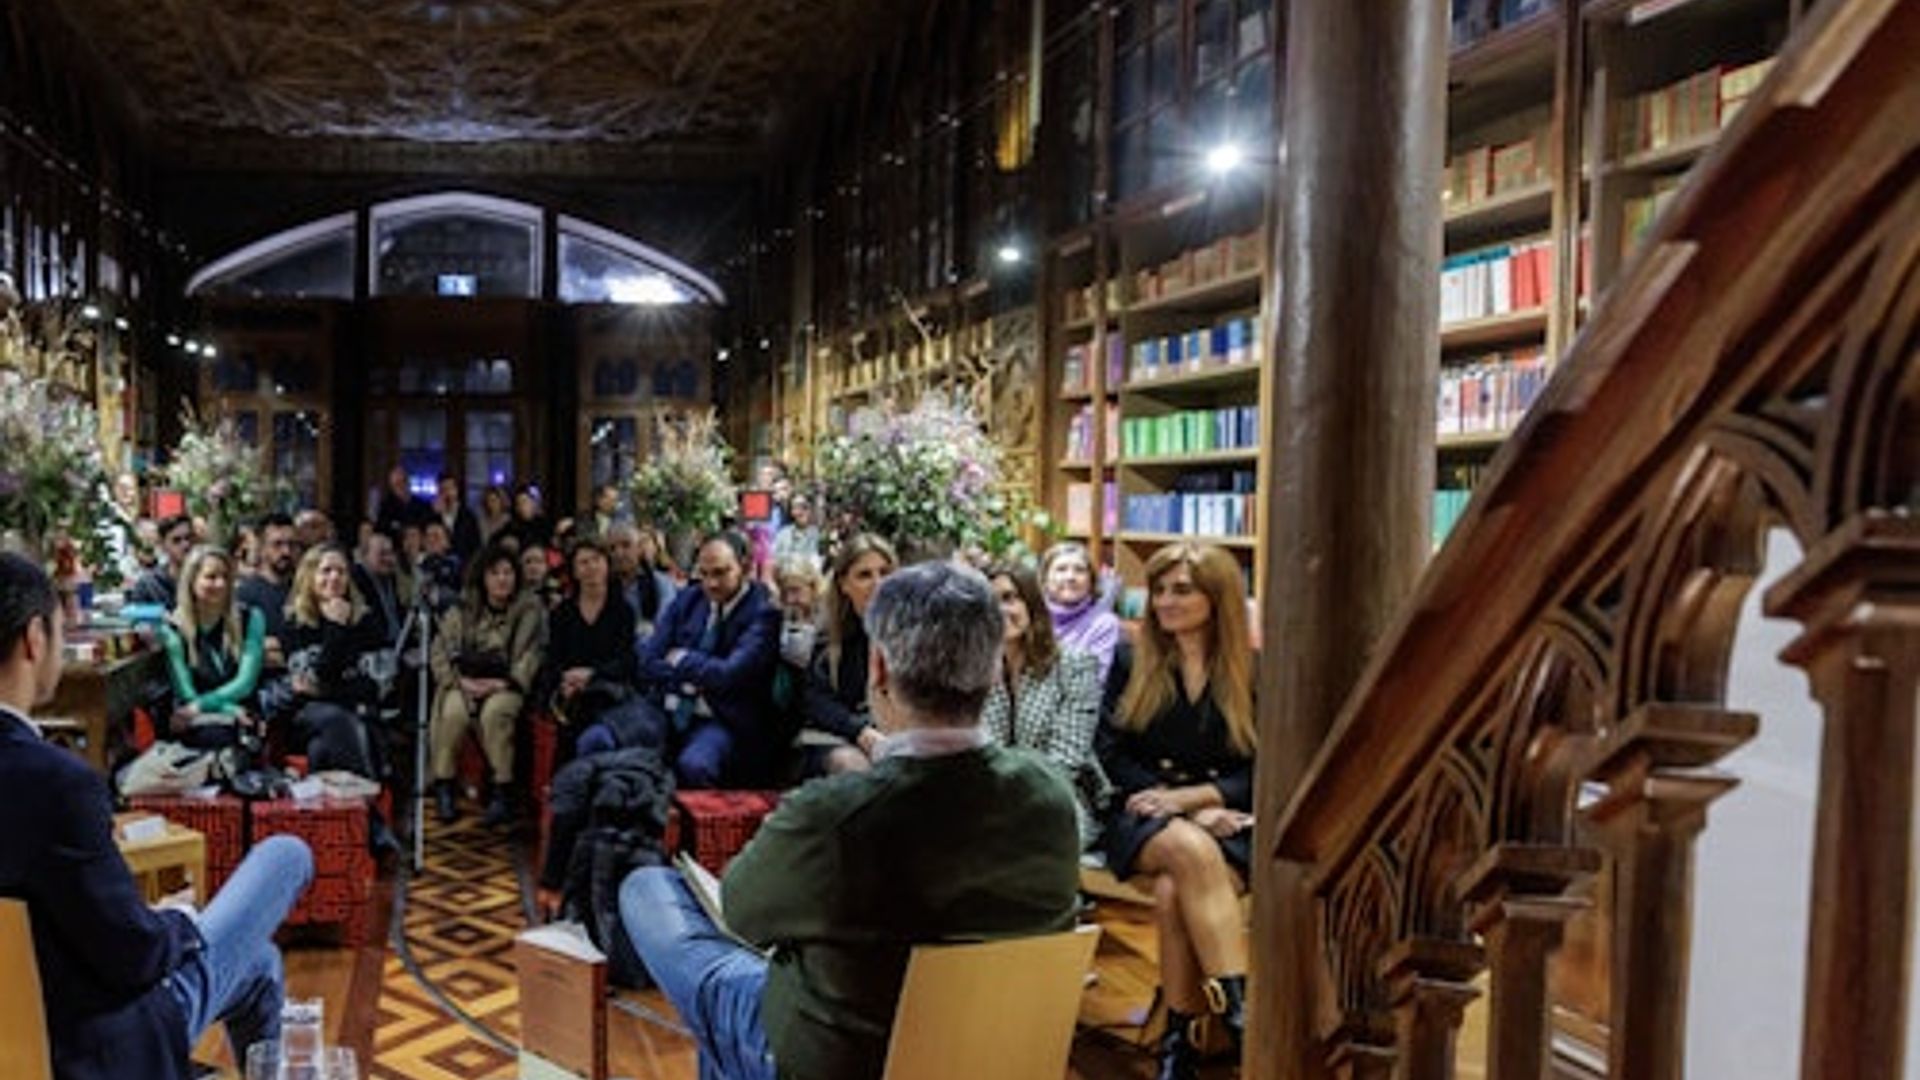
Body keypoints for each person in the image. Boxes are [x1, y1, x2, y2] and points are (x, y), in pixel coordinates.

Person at [620, 560, 1082, 1080]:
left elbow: (742, 915)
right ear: (994, 669)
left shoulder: (835, 814)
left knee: (648, 888)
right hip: (989, 1055)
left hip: (838, 1061)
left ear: (878, 669)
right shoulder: (1051, 796)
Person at [0, 552, 314, 1080]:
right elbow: (135, 956)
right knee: (287, 854)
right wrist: (179, 921)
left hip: (20, 1039)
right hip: (97, 1045)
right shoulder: (57, 783)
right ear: (34, 638)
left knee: (260, 964)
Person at [1099, 542, 1256, 1077]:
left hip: (1229, 819)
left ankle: (1180, 1044)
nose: (1165, 601)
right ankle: (1243, 1022)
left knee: (1173, 892)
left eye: (1182, 590)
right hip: (1142, 813)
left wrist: (1196, 800)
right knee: (1188, 849)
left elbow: (1266, 768)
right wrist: (1180, 809)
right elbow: (1109, 755)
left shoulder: (1255, 672)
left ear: (1218, 597)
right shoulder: (1129, 660)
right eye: (1159, 590)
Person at [636, 531, 782, 788]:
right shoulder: (689, 598)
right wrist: (695, 677)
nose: (711, 583)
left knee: (694, 766)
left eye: (720, 573)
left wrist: (682, 658)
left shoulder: (763, 612)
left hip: (723, 719)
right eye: (703, 574)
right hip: (669, 706)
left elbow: (730, 675)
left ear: (745, 567)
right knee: (611, 744)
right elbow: (648, 661)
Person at [982, 561, 1109, 850]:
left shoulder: (1074, 664)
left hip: (1058, 796)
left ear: (1032, 603)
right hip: (987, 797)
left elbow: (1066, 760)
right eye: (988, 602)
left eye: (1009, 598)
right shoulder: (972, 669)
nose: (999, 610)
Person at [429, 542, 546, 826]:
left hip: (506, 684)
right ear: (483, 577)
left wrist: (505, 683)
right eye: (495, 573)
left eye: (508, 572)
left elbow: (533, 654)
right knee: (453, 712)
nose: (502, 579)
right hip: (464, 681)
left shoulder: (530, 608)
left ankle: (502, 790)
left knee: (496, 713)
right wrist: (459, 682)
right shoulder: (463, 606)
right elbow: (439, 651)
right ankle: (444, 784)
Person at [280, 544, 388, 781]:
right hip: (308, 717)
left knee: (320, 749)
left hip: (357, 712)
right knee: (338, 720)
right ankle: (367, 793)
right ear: (310, 576)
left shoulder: (366, 621)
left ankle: (340, 801)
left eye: (341, 571)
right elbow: (308, 683)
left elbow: (377, 685)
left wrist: (326, 690)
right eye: (326, 571)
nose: (335, 577)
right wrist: (336, 628)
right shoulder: (294, 623)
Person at [793, 534, 895, 776]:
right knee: (853, 767)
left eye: (885, 573)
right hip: (836, 737)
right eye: (864, 575)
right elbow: (815, 700)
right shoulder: (827, 638)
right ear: (844, 584)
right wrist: (860, 731)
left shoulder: (914, 635)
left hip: (897, 737)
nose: (878, 583)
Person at [158, 545, 268, 750]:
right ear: (191, 581)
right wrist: (227, 709)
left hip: (242, 713)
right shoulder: (173, 629)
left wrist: (202, 705)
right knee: (214, 737)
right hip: (199, 717)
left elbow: (245, 683)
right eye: (211, 577)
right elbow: (186, 692)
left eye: (226, 577)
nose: (221, 583)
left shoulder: (251, 618)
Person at [548, 538, 639, 756]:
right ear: (574, 571)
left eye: (597, 560)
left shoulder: (623, 611)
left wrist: (592, 674)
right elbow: (553, 657)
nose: (591, 567)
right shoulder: (562, 613)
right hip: (570, 693)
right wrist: (565, 679)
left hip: (608, 691)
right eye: (584, 562)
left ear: (607, 564)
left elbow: (627, 660)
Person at [1042, 541, 1123, 683]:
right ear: (1045, 580)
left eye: (1079, 570)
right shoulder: (1031, 617)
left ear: (1091, 581)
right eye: (1061, 569)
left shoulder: (1103, 623)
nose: (1070, 577)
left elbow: (1093, 680)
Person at [237, 512, 299, 653]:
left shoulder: (305, 589)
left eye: (291, 544)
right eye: (277, 544)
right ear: (262, 547)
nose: (286, 551)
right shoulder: (244, 594)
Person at [608, 523, 675, 644]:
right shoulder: (603, 586)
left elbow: (664, 628)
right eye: (612, 548)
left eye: (626, 545)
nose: (618, 553)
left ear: (639, 548)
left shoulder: (660, 583)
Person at [129, 513, 195, 607]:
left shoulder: (206, 580)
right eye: (176, 540)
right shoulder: (149, 585)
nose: (186, 545)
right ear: (163, 545)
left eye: (189, 538)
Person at [432, 473, 483, 562]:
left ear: (456, 490)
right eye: (443, 490)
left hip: (464, 563)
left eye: (450, 488)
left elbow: (476, 546)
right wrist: (435, 515)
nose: (447, 493)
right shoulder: (433, 516)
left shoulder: (468, 516)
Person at [769, 491, 822, 573]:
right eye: (796, 507)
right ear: (791, 512)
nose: (801, 512)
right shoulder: (783, 534)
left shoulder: (817, 535)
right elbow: (773, 560)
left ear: (810, 509)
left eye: (804, 507)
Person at [374, 464, 430, 538]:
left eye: (403, 481)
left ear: (408, 482)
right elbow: (381, 531)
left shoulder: (421, 506)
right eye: (397, 484)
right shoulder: (386, 508)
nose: (401, 487)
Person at [509, 482, 553, 550]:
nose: (522, 507)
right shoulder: (512, 526)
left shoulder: (545, 526)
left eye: (524, 502)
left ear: (533, 504)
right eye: (518, 504)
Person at [521, 540, 560, 608]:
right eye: (528, 562)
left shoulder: (556, 596)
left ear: (547, 566)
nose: (533, 566)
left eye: (538, 561)